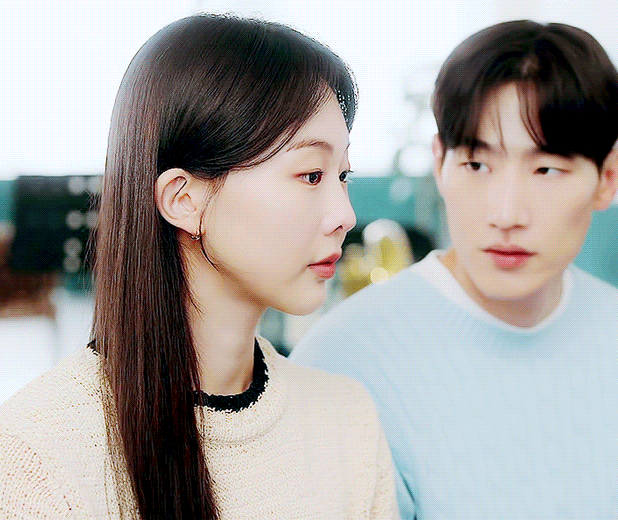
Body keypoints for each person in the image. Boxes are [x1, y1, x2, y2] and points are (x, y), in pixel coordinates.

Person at [291, 20, 618, 519]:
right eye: (477, 165)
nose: (506, 214)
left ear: (608, 178)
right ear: (440, 163)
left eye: (546, 169)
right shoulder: (342, 363)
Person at [0, 14, 397, 519]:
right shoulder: (38, 454)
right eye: (312, 175)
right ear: (183, 200)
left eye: (343, 175)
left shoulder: (348, 421)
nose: (345, 215)